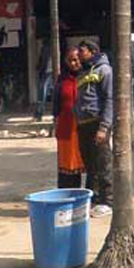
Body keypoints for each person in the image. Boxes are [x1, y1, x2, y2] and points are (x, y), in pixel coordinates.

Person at [75, 40, 114, 218]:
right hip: (83, 124)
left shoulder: (104, 70)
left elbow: (109, 99)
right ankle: (94, 198)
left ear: (92, 51)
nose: (79, 54)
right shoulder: (83, 72)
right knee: (90, 165)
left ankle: (108, 201)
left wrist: (103, 127)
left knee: (103, 163)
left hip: (97, 123)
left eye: (82, 51)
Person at [53, 47, 85, 189]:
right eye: (70, 60)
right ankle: (67, 193)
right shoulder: (62, 79)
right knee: (67, 164)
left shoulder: (87, 76)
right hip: (66, 128)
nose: (73, 63)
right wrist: (56, 124)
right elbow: (56, 105)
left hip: (83, 127)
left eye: (76, 60)